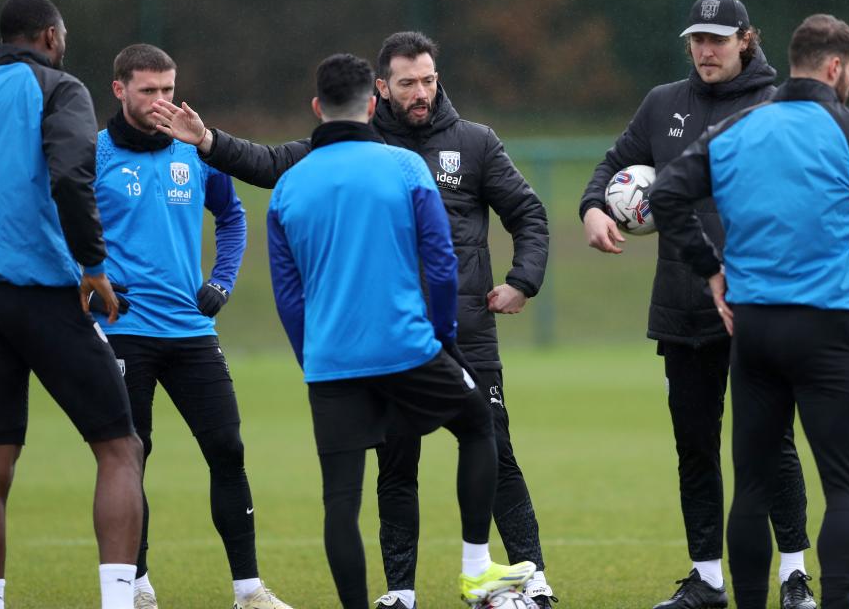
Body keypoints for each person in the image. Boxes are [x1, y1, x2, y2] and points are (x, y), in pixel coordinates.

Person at [149, 31, 553, 609]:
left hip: (462, 333)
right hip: (400, 340)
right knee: (396, 467)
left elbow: (528, 213)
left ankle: (531, 577)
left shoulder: (476, 143)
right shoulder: (358, 152)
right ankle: (401, 592)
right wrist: (209, 141)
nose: (421, 92)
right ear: (379, 91)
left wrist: (521, 280)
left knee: (496, 449)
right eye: (408, 82)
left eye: (430, 79)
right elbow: (266, 162)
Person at [266, 51, 534, 608]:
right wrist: (444, 340)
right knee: (479, 424)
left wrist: (310, 357)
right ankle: (476, 567)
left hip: (331, 362)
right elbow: (439, 264)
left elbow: (288, 294)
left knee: (341, 499)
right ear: (373, 102)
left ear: (317, 108)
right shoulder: (405, 167)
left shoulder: (291, 185)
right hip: (409, 349)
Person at [651, 13, 849, 609]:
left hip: (752, 331)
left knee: (752, 490)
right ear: (834, 67)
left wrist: (711, 268)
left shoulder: (740, 126)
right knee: (844, 491)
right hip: (825, 331)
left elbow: (665, 194)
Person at [579, 0, 813, 609]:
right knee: (695, 447)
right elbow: (611, 165)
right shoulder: (663, 104)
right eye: (697, 39)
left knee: (770, 442)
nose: (705, 50)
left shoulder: (778, 103)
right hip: (682, 309)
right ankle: (707, 581)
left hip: (762, 306)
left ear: (746, 39)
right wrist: (594, 208)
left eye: (718, 38)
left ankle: (795, 577)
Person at [0, 0, 143, 609]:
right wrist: (95, 265)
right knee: (119, 447)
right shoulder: (59, 89)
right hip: (43, 294)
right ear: (50, 37)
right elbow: (72, 171)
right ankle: (117, 601)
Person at [91, 44, 293, 609]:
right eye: (148, 90)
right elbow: (63, 228)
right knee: (130, 457)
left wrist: (222, 281)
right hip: (123, 329)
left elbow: (231, 217)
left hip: (192, 331)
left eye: (168, 90)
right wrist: (93, 279)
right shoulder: (95, 154)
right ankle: (136, 584)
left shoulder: (195, 146)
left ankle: (249, 591)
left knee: (227, 448)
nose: (162, 102)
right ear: (119, 90)